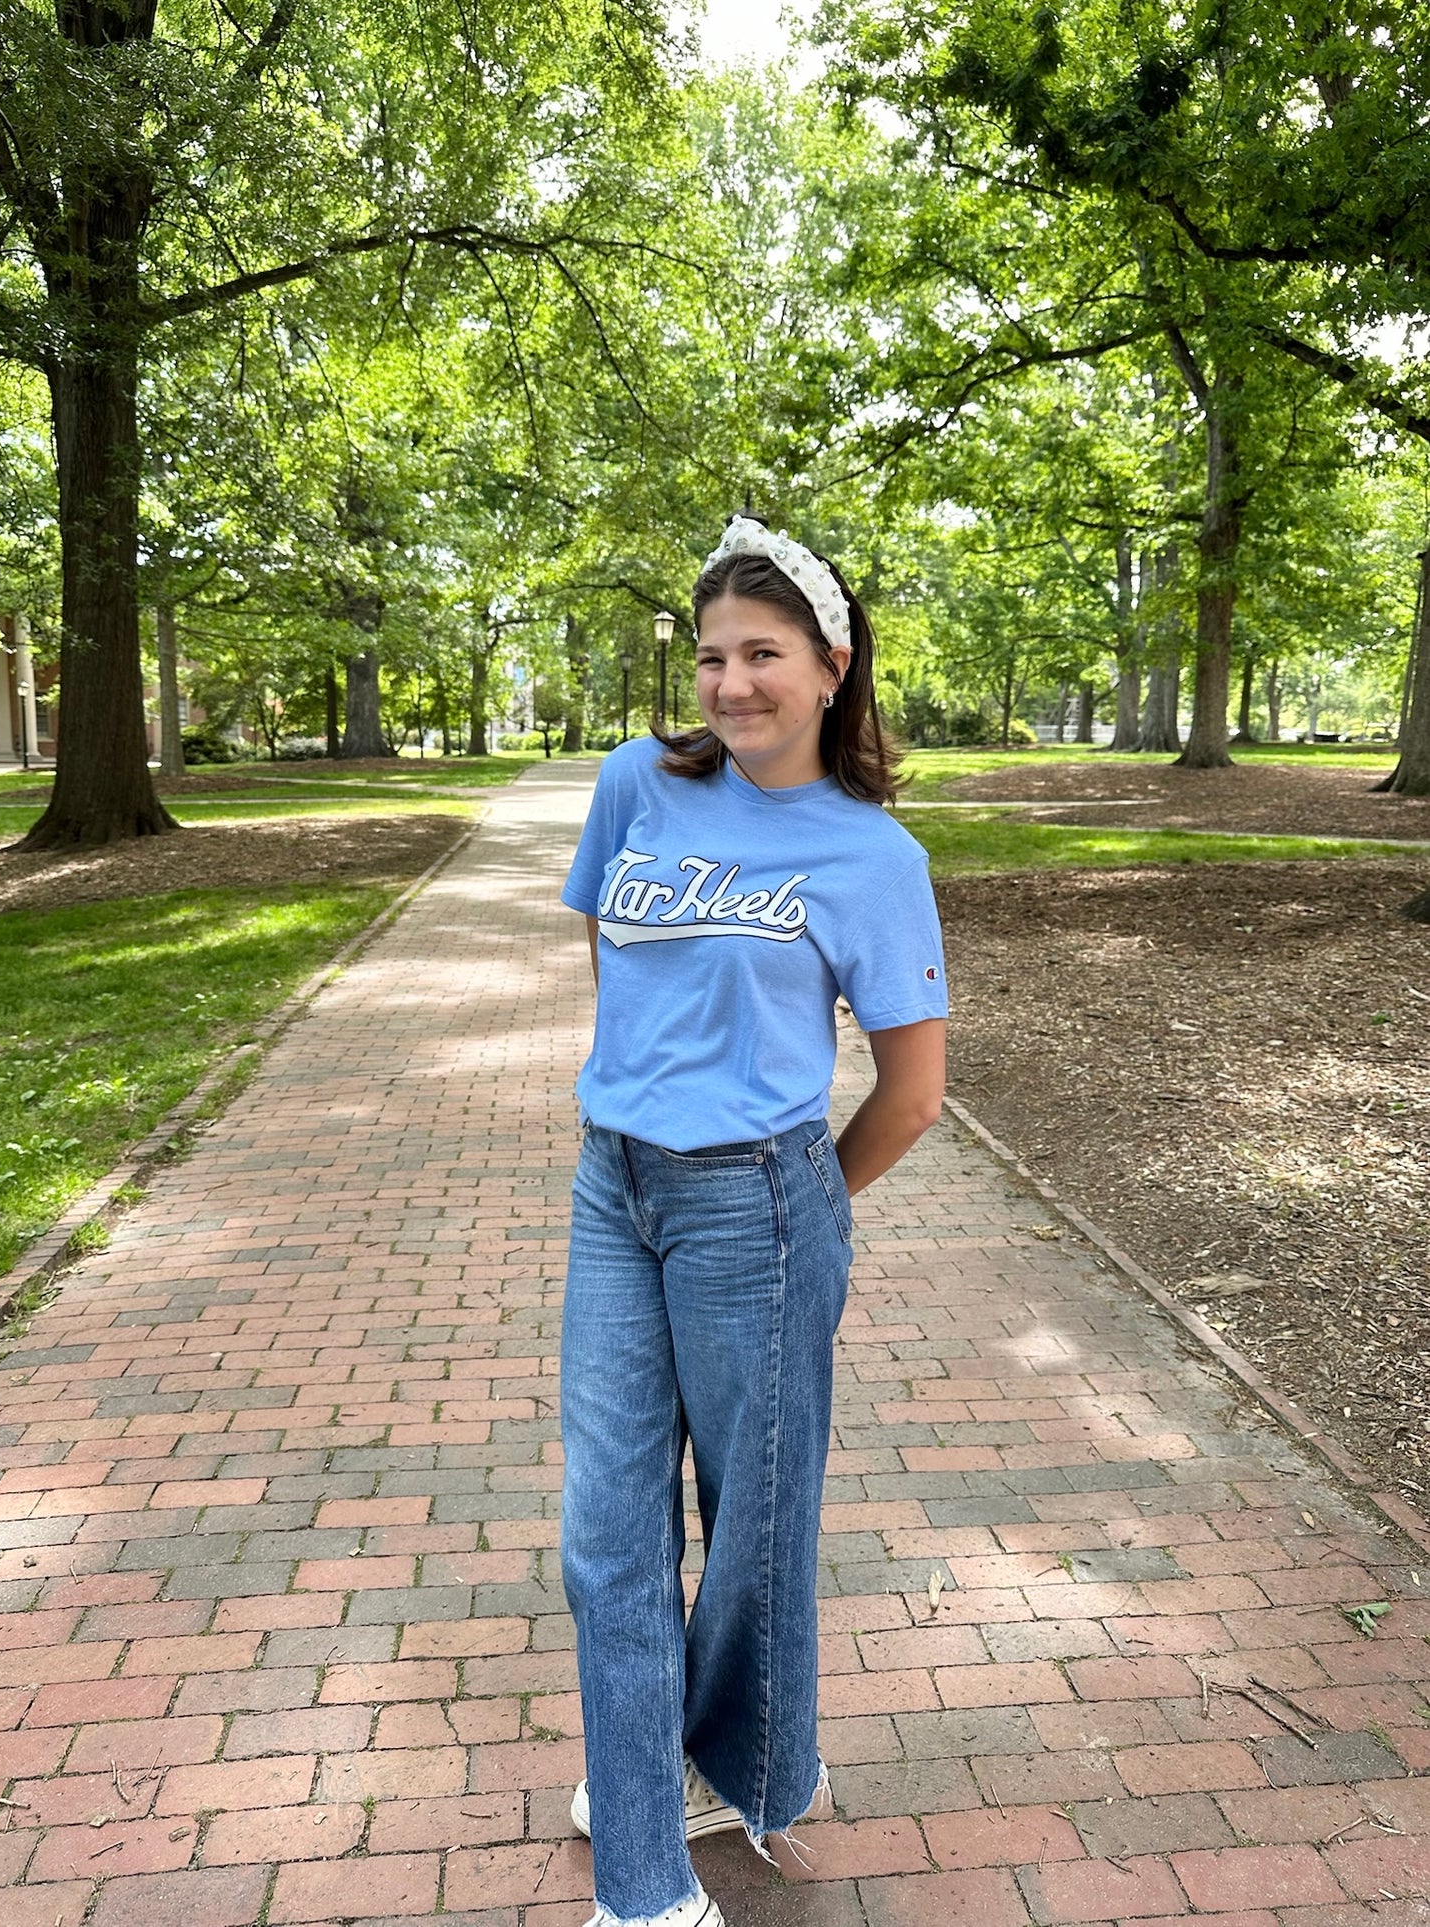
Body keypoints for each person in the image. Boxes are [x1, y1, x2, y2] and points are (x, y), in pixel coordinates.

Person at [558, 514, 949, 1927]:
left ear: (831, 667)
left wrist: (791, 1214)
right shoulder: (633, 786)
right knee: (603, 1530)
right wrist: (646, 1089)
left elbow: (911, 1095)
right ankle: (645, 1884)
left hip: (759, 1204)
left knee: (750, 1529)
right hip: (615, 1184)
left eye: (764, 654)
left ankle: (723, 1755)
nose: (730, 683)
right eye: (713, 653)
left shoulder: (870, 856)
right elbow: (607, 943)